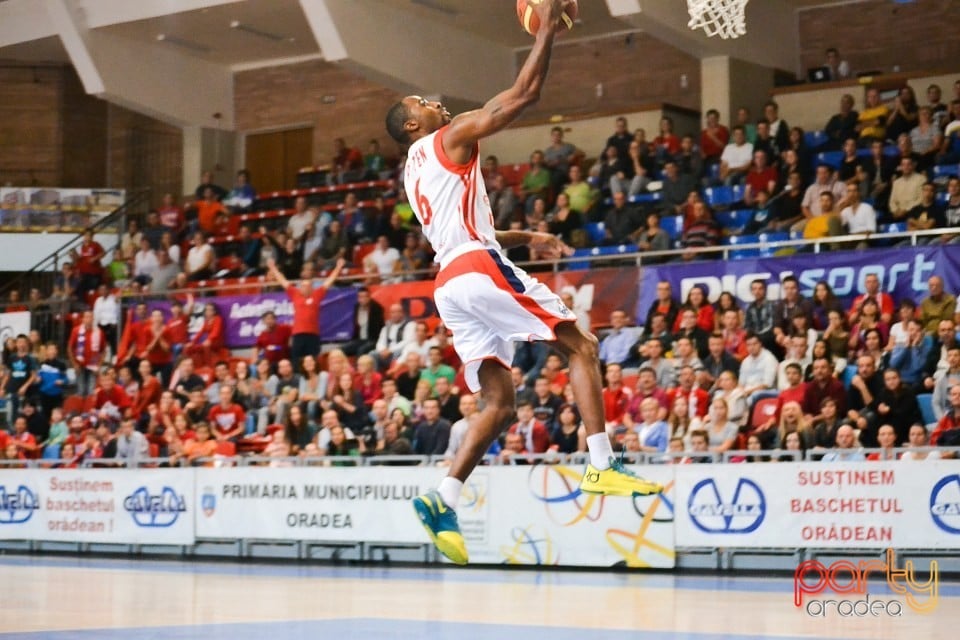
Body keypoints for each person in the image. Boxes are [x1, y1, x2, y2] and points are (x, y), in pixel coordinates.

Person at [386, 0, 661, 566]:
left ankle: (444, 498)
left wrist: (528, 237)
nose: (436, 102)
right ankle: (603, 464)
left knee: (500, 403)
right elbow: (522, 96)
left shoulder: (415, 167)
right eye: (423, 103)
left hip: (451, 283)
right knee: (581, 345)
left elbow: (470, 232)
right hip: (475, 270)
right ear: (413, 124)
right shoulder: (451, 136)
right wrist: (546, 29)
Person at [267, 257, 345, 366]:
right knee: (296, 360)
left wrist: (338, 268)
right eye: (303, 286)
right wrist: (273, 268)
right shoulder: (295, 294)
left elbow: (328, 282)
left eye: (308, 286)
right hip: (298, 335)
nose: (305, 288)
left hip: (313, 335)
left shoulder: (316, 295)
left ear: (312, 288)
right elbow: (283, 281)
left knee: (313, 360)